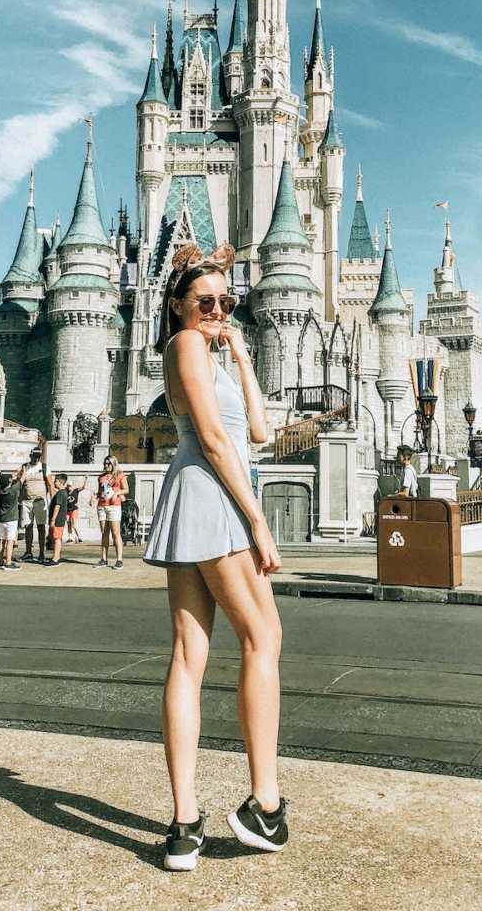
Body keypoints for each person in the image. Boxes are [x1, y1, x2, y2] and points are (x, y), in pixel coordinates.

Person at [143, 242, 286, 872]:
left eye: (227, 301)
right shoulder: (184, 347)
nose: (217, 310)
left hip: (204, 492)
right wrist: (259, 522)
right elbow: (213, 440)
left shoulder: (212, 354)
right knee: (263, 637)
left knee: (191, 654)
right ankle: (264, 802)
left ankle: (184, 826)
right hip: (213, 493)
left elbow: (258, 433)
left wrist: (245, 357)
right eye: (205, 301)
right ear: (177, 306)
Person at [95, 455, 129, 570]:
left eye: (109, 463)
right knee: (104, 533)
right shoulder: (101, 477)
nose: (106, 465)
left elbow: (126, 489)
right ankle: (104, 559)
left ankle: (119, 560)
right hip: (102, 506)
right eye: (105, 463)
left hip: (114, 506)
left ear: (114, 463)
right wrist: (94, 496)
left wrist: (117, 493)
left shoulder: (119, 474)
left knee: (115, 533)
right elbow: (100, 492)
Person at [19, 447, 49, 564]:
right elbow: (19, 478)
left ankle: (41, 553)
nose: (36, 458)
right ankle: (28, 552)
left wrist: (52, 501)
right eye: (34, 456)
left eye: (38, 456)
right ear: (30, 455)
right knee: (28, 526)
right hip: (27, 501)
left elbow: (50, 484)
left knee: (41, 527)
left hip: (40, 501)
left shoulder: (44, 467)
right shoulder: (25, 466)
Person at [45, 474, 69, 566]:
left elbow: (57, 506)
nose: (54, 482)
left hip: (58, 520)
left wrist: (53, 519)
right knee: (56, 538)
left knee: (57, 539)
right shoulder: (63, 492)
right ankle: (57, 556)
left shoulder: (60, 493)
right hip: (60, 519)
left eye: (56, 481)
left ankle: (55, 559)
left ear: (60, 482)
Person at [66, 476, 87, 544]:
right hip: (67, 510)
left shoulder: (76, 491)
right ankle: (70, 538)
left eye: (70, 486)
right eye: (68, 486)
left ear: (72, 486)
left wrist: (85, 479)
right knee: (68, 523)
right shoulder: (65, 491)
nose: (69, 487)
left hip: (74, 509)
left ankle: (79, 537)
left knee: (74, 524)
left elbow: (83, 487)